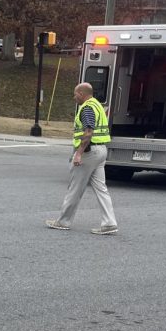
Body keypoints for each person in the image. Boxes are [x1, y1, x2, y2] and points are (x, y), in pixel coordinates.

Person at [46, 82, 118, 235]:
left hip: (89, 152)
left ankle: (63, 221)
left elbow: (88, 132)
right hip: (101, 150)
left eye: (75, 94)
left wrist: (78, 153)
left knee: (75, 189)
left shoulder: (87, 108)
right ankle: (109, 223)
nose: (74, 97)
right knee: (101, 189)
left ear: (81, 93)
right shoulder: (98, 105)